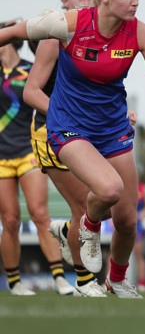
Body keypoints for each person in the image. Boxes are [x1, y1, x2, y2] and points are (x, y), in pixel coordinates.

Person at [0, 0, 145, 298]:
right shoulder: (68, 24)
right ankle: (85, 229)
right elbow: (18, 32)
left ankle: (117, 279)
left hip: (112, 129)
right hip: (68, 127)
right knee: (109, 190)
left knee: (126, 220)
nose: (136, 1)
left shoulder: (140, 32)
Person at [23, 0, 111, 297]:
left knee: (108, 203)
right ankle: (86, 282)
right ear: (64, 1)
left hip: (82, 132)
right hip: (51, 131)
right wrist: (64, 116)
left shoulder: (98, 39)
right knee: (81, 206)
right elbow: (31, 93)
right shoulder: (54, 34)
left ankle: (65, 233)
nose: (85, 3)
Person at [0, 19, 74, 296]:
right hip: (1, 157)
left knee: (41, 214)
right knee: (10, 221)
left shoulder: (31, 70)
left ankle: (60, 279)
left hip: (27, 150)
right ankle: (15, 282)